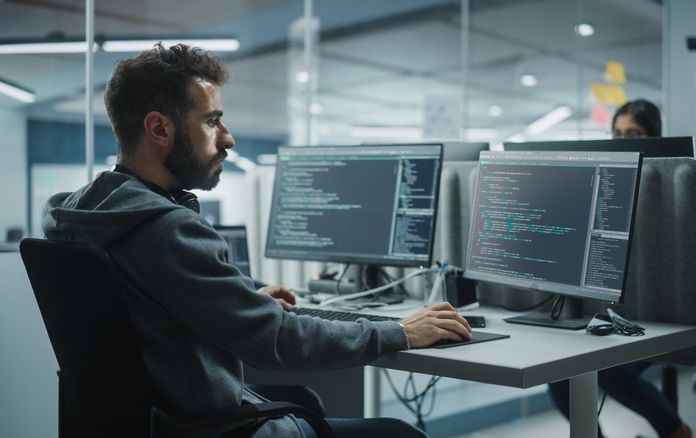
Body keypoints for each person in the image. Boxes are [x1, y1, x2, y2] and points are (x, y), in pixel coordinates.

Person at [41, 43, 472, 438]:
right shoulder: (167, 229)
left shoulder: (78, 216)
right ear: (159, 128)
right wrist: (398, 331)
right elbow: (278, 341)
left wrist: (236, 304)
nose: (228, 138)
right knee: (400, 433)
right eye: (211, 121)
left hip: (147, 423)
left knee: (307, 402)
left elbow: (150, 318)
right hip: (210, 430)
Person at [547, 99, 692, 438]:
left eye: (633, 134)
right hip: (608, 310)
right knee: (558, 376)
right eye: (617, 133)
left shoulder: (674, 189)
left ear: (655, 138)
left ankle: (676, 431)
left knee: (615, 372)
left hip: (658, 310)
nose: (622, 141)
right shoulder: (602, 188)